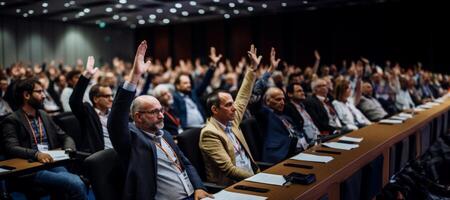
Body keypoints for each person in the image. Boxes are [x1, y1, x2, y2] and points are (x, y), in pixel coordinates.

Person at [107, 40, 211, 200]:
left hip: (195, 195)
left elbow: (186, 164)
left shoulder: (165, 135)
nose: (161, 115)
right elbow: (116, 120)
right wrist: (134, 77)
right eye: (154, 112)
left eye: (161, 110)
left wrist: (199, 187)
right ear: (138, 117)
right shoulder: (132, 139)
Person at [1, 78, 87, 200]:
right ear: (26, 95)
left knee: (74, 183)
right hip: (30, 168)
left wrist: (69, 148)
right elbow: (11, 147)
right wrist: (36, 154)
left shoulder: (43, 115)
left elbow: (65, 136)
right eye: (40, 92)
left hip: (51, 162)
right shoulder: (12, 120)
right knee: (76, 183)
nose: (44, 96)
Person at [199, 44, 260, 186]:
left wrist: (252, 69)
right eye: (228, 105)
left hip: (251, 176)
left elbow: (243, 97)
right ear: (215, 110)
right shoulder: (209, 133)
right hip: (233, 185)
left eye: (232, 104)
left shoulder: (231, 121)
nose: (234, 108)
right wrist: (258, 178)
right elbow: (229, 170)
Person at [70, 56, 114, 153]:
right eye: (107, 96)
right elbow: (74, 101)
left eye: (112, 95)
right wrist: (87, 75)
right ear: (96, 99)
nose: (111, 99)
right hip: (101, 157)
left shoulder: (114, 113)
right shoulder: (87, 113)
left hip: (120, 154)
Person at [172, 47, 219, 129]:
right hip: (188, 130)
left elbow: (205, 83)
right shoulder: (175, 97)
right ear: (177, 85)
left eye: (189, 83)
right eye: (185, 83)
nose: (189, 85)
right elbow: (175, 116)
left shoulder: (193, 93)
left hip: (203, 126)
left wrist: (212, 66)